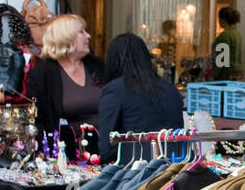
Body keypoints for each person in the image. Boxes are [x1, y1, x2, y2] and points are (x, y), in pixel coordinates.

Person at [26, 14, 105, 159]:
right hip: (66, 156)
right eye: (81, 31)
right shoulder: (43, 75)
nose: (88, 36)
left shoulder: (97, 67)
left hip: (104, 152)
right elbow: (36, 121)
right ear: (66, 37)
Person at [97, 33, 185, 162]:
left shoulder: (114, 90)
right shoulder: (170, 89)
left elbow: (106, 148)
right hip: (173, 166)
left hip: (133, 169)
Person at [212, 6, 243, 80]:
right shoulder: (237, 33)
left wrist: (214, 75)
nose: (218, 21)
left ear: (223, 19)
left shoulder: (224, 35)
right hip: (238, 73)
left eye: (219, 18)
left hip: (226, 75)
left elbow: (222, 60)